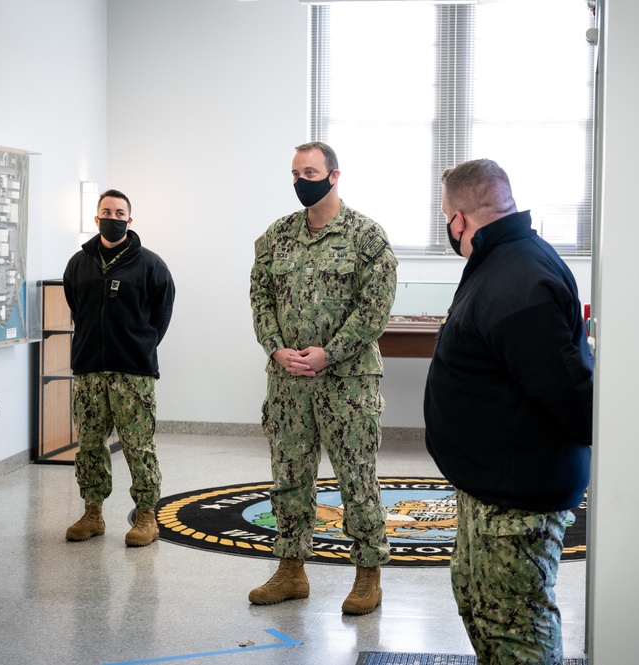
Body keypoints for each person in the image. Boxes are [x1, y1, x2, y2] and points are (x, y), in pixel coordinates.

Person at [424, 158, 594, 663]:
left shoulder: (519, 278)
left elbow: (570, 396)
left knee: (517, 626)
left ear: (459, 220)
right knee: (481, 606)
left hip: (519, 499)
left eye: (445, 217)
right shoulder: (503, 262)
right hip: (491, 486)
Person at [248, 141, 398, 615]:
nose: (300, 180)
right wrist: (275, 347)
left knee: (356, 477)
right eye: (294, 173)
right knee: (289, 478)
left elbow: (374, 312)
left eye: (309, 171)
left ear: (334, 176)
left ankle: (368, 576)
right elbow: (260, 299)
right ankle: (291, 571)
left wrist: (328, 354)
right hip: (288, 383)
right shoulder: (276, 237)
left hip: (348, 384)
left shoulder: (367, 237)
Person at [63, 188, 176, 547]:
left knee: (138, 447)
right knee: (90, 445)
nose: (113, 218)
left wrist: (138, 345)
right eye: (106, 212)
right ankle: (93, 514)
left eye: (120, 212)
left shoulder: (150, 265)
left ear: (130, 218)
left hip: (133, 374)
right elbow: (75, 306)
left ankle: (146, 517)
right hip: (89, 371)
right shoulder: (77, 264)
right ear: (96, 219)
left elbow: (161, 314)